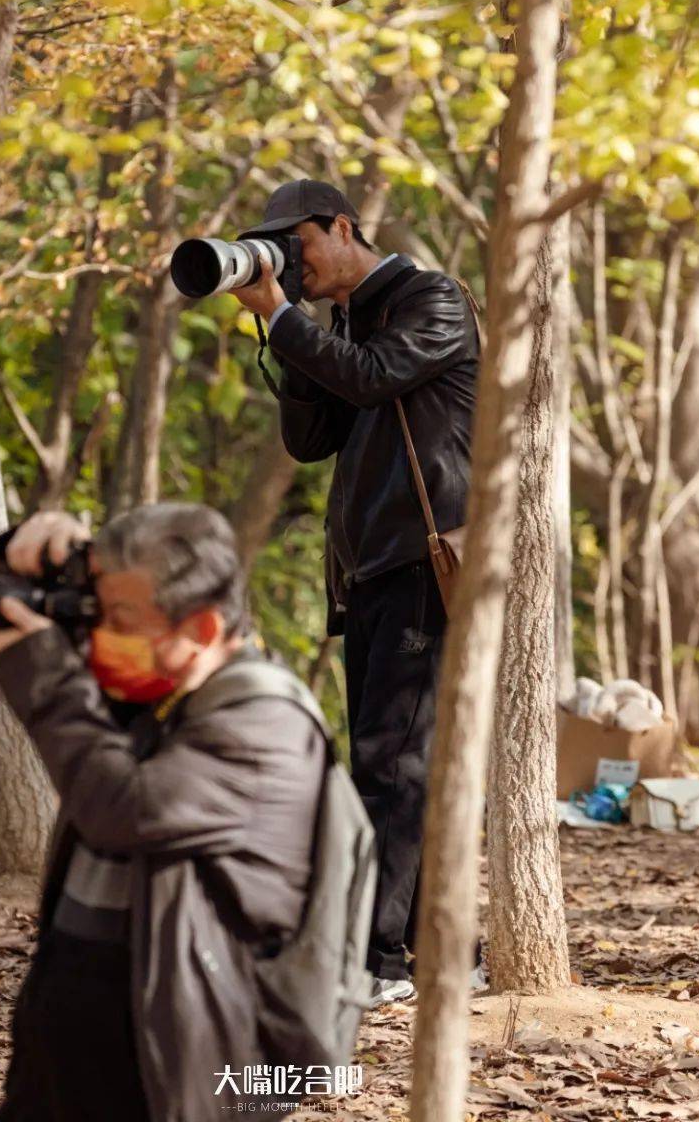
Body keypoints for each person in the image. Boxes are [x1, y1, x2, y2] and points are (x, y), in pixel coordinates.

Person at [0, 503, 327, 1122]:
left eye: (120, 619)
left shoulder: (265, 726)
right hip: (74, 1061)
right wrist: (17, 561)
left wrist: (38, 666)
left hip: (183, 1075)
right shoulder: (161, 693)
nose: (99, 634)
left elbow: (124, 807)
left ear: (199, 630)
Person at [233, 178, 479, 1005]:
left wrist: (283, 318)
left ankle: (377, 963)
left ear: (341, 226)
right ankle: (445, 949)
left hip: (422, 563)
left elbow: (374, 379)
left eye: (296, 244)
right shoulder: (341, 326)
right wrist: (287, 332)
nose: (291, 263)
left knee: (392, 764)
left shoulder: (431, 299)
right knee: (396, 765)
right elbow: (310, 440)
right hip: (369, 572)